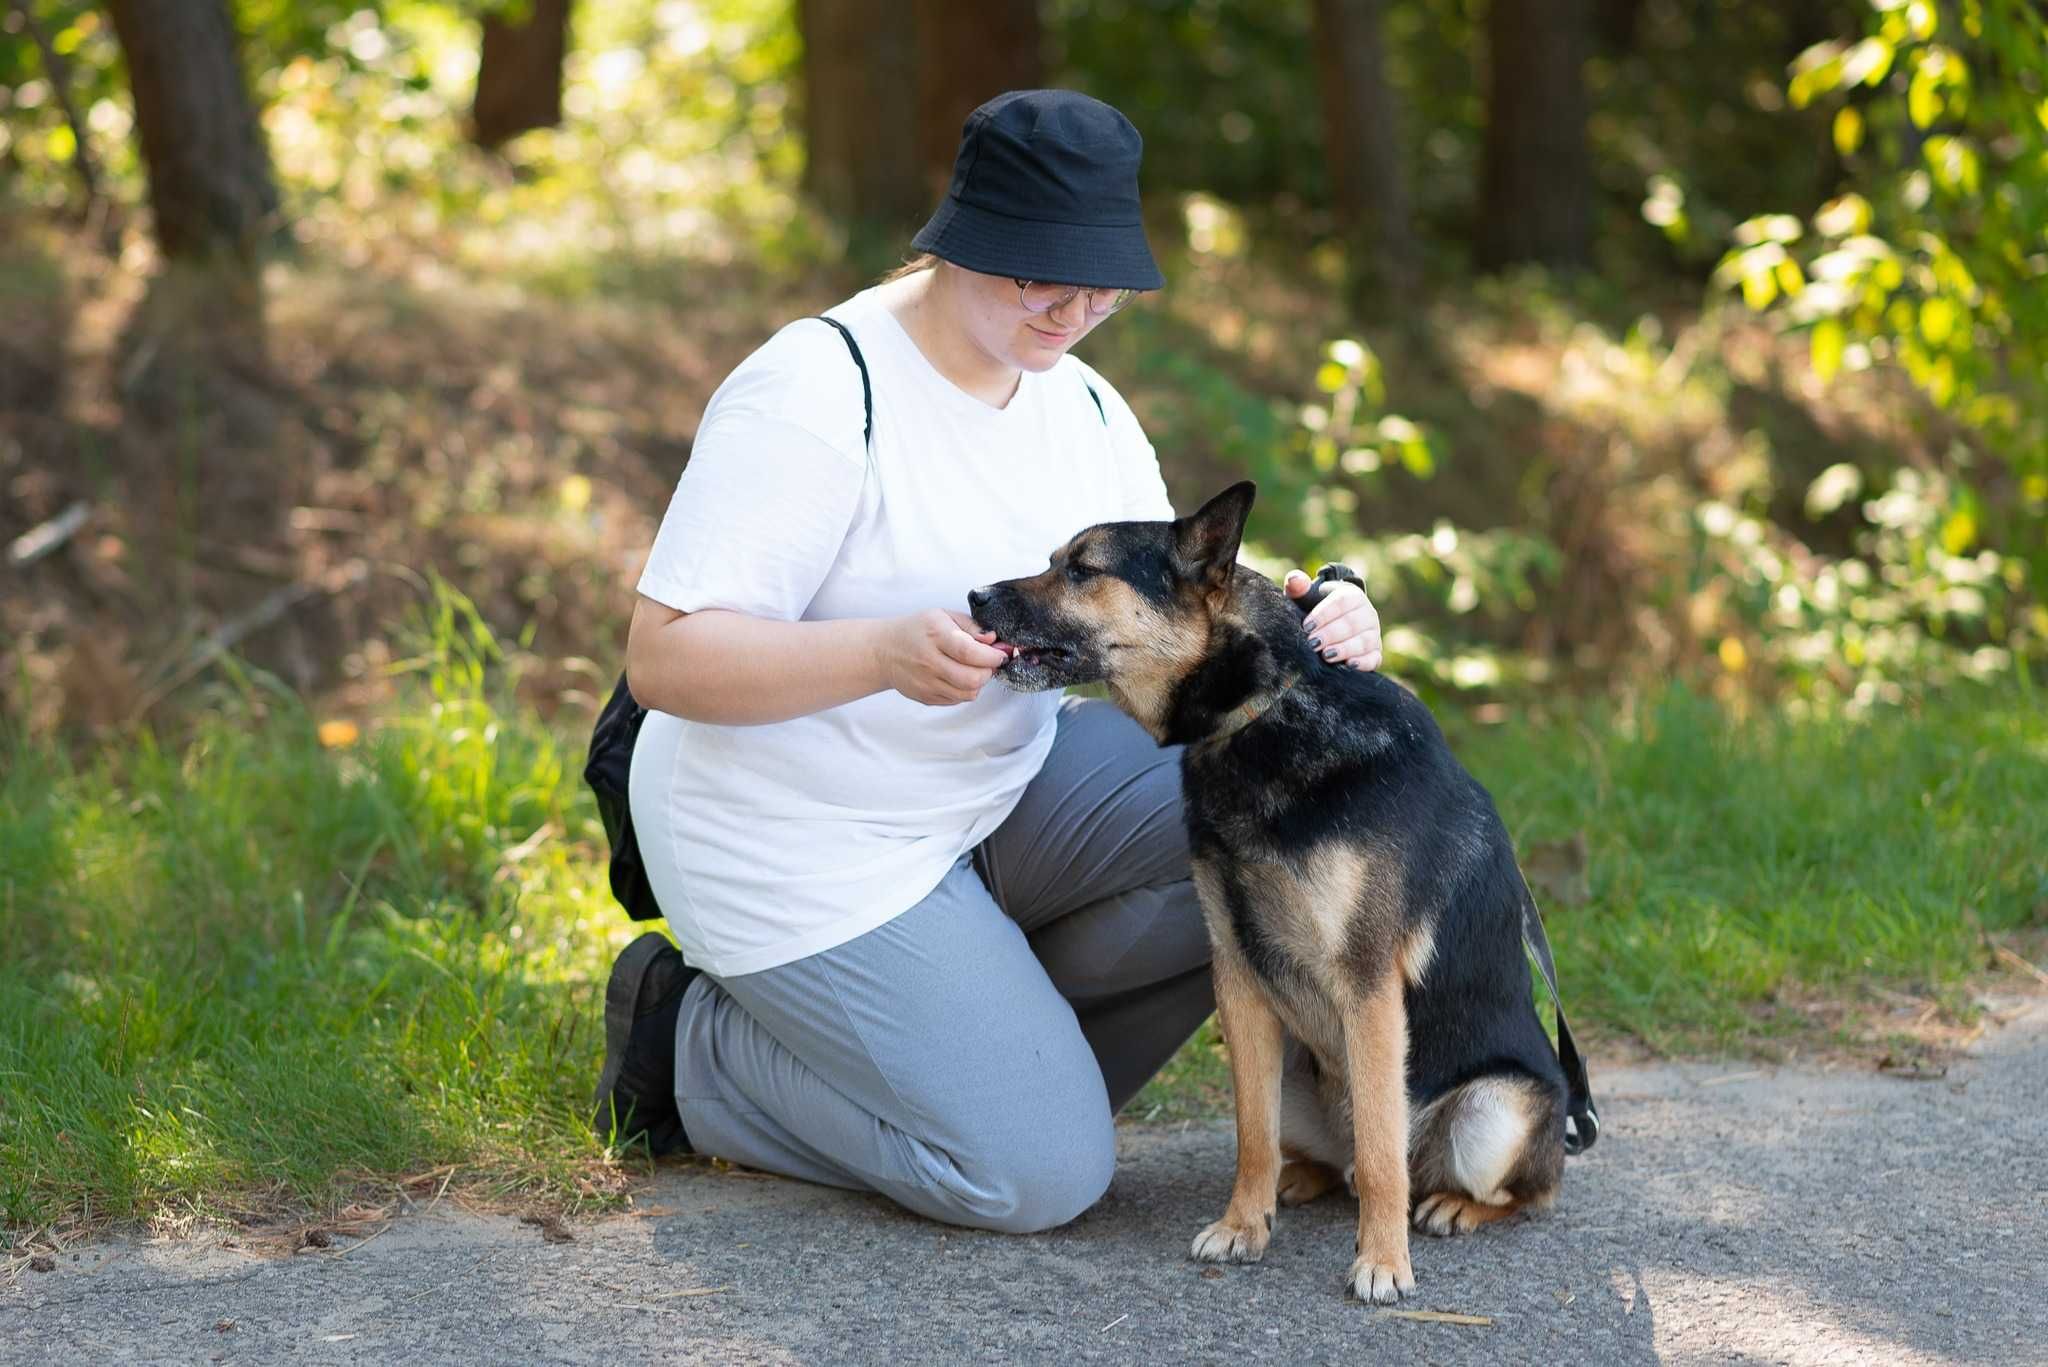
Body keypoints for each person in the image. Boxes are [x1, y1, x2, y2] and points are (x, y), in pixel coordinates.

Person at [592, 89, 1383, 1234]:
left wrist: (1322, 603)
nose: (1073, 310)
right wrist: (875, 652)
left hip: (988, 791)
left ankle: (965, 1044)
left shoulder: (1083, 400)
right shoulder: (818, 391)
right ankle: (690, 1044)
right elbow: (663, 661)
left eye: (1100, 282)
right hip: (793, 842)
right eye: (1038, 277)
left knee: (1281, 799)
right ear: (957, 239)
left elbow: (1165, 618)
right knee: (1033, 1173)